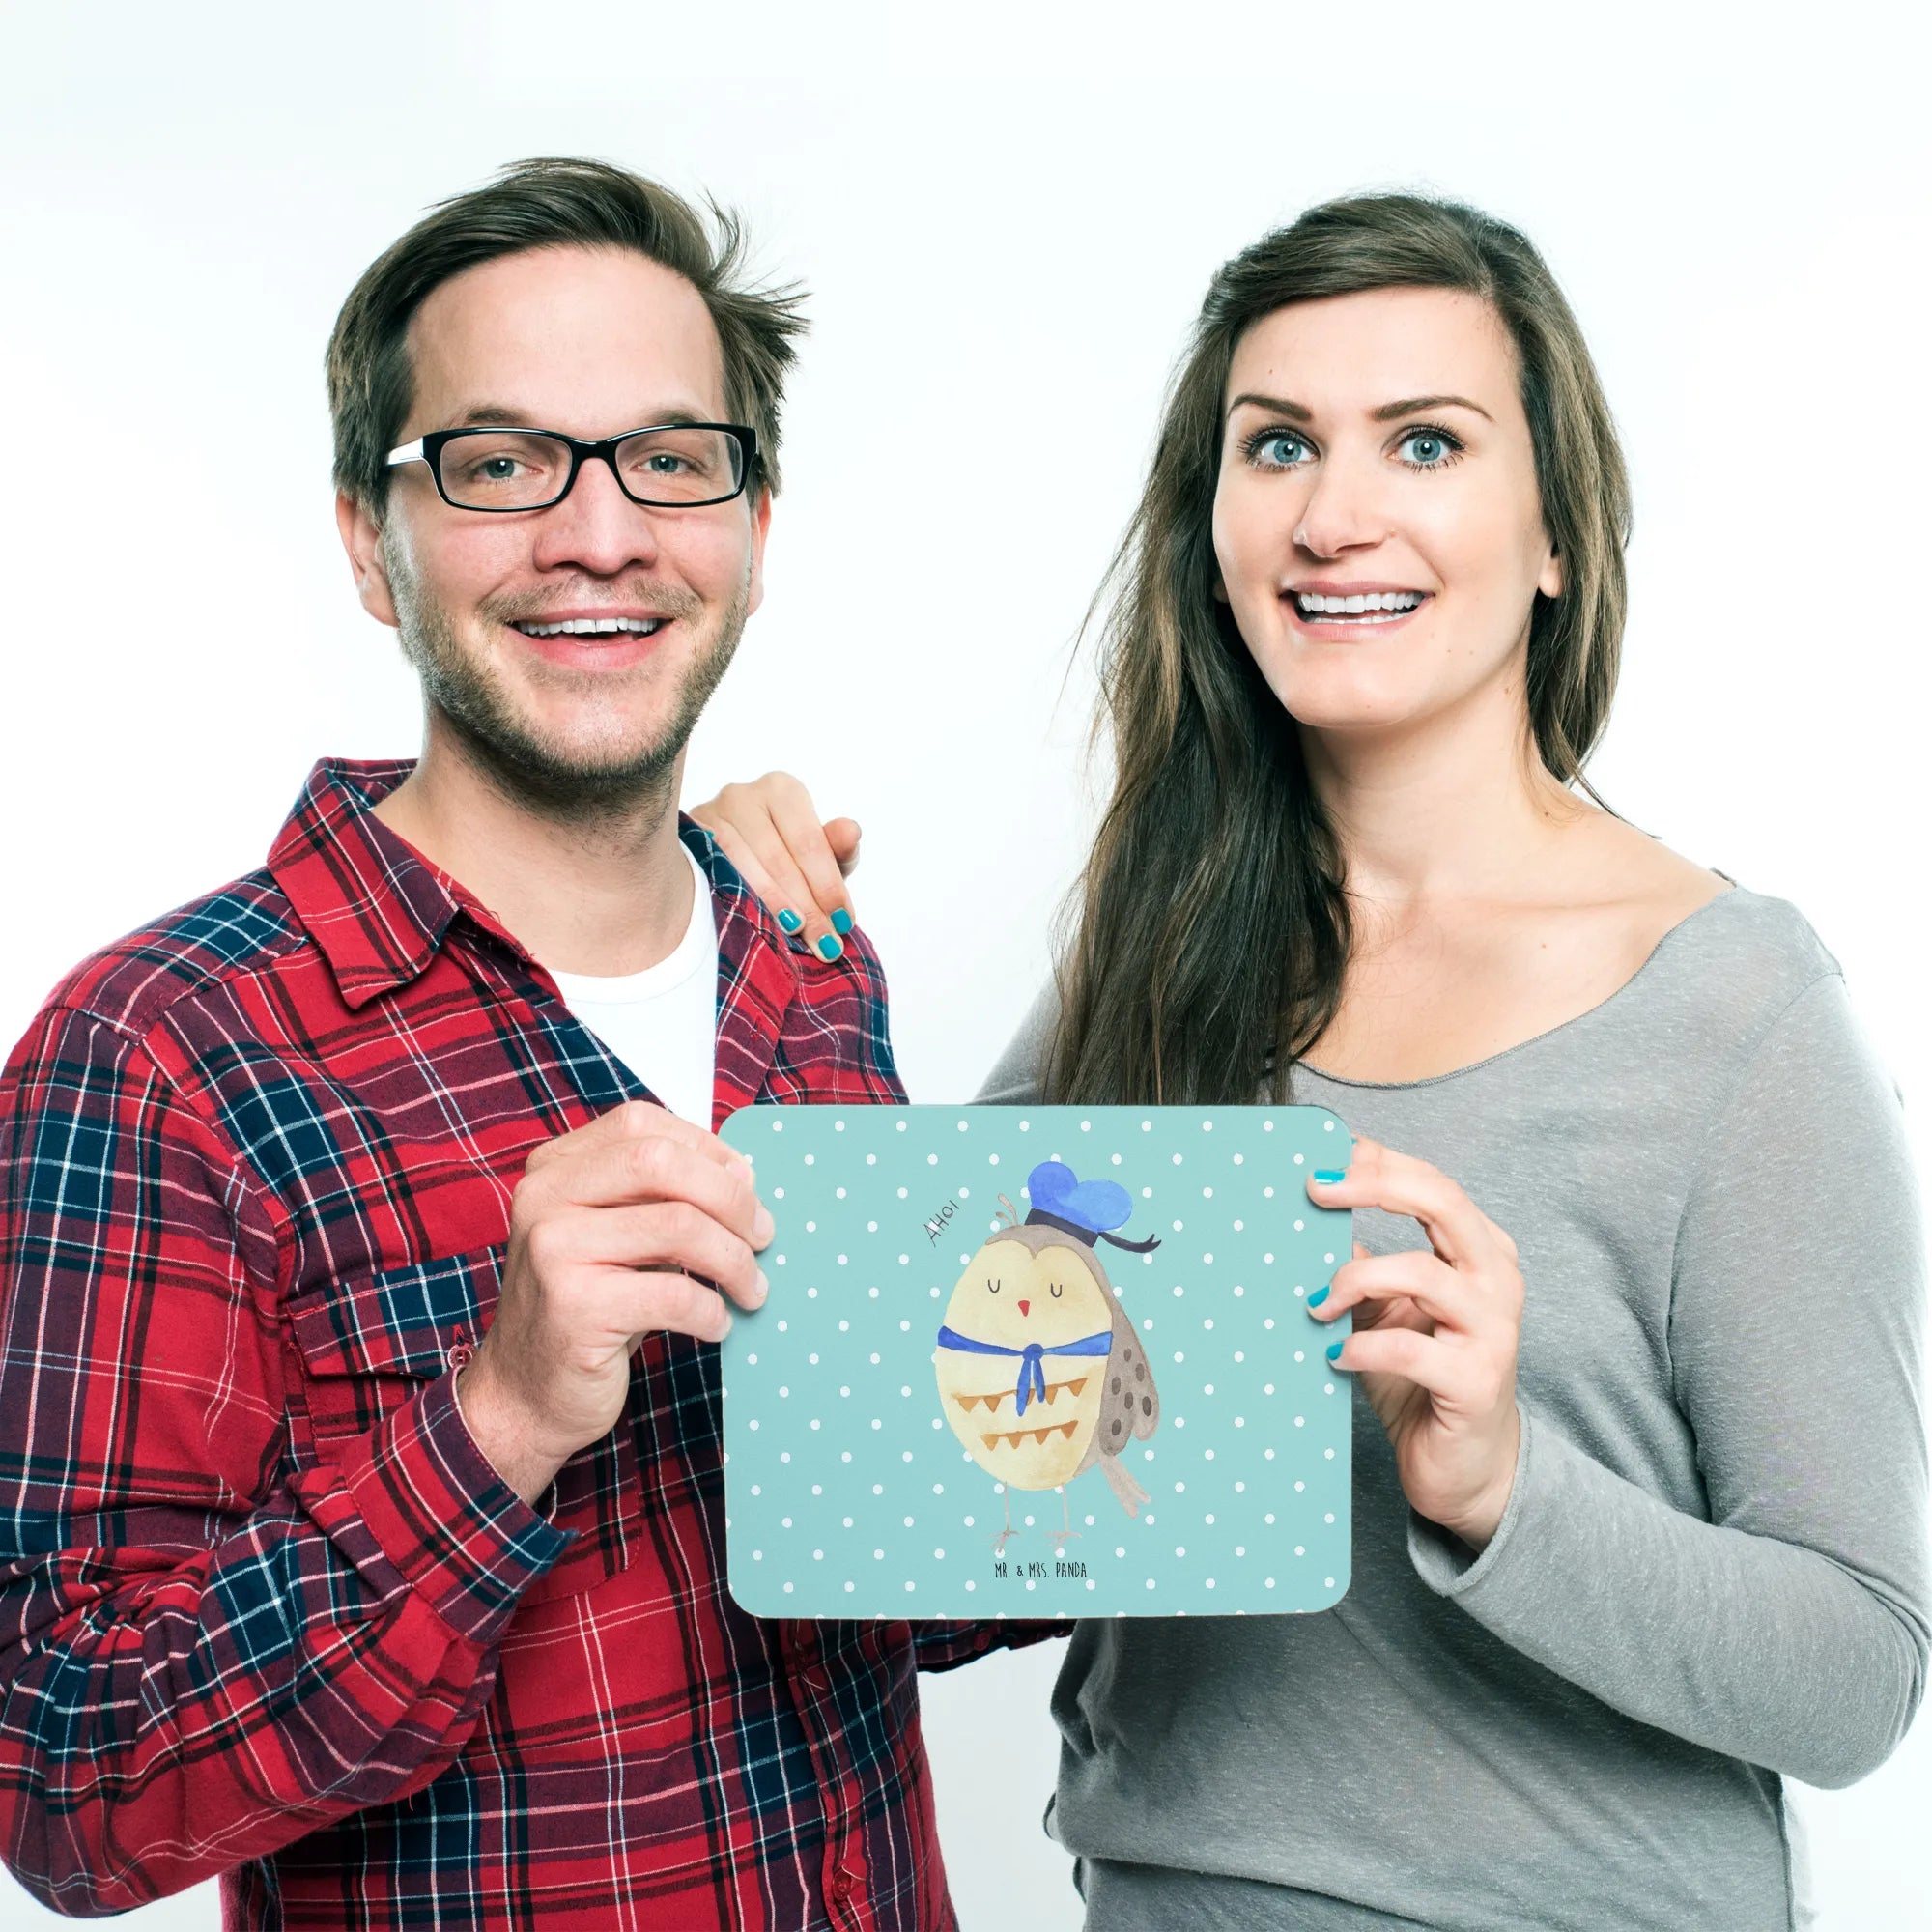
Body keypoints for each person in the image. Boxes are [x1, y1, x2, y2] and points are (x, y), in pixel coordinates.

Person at [692, 193, 1929, 1930]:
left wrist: (1504, 1489)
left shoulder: (1738, 1012)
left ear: (1556, 533)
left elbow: (1858, 1676)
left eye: (1425, 441)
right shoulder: (1156, 943)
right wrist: (728, 928)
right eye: (1276, 444)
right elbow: (901, 1428)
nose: (1334, 516)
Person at [0, 157, 1046, 1929]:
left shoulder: (808, 962)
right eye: (500, 466)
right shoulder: (161, 1055)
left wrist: (1169, 1405)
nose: (602, 534)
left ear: (754, 528)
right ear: (371, 541)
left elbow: (891, 1592)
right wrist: (494, 1423)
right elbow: (66, 1790)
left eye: (671, 459)